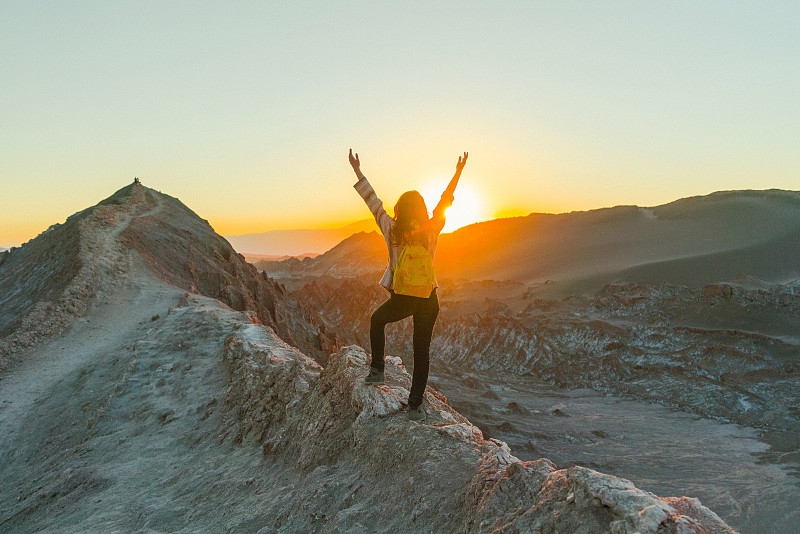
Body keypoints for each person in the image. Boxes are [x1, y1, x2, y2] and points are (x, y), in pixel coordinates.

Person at [349, 148, 468, 422]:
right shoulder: (431, 228)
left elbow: (373, 201)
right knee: (421, 352)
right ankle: (415, 407)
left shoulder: (392, 229)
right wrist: (458, 172)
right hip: (429, 297)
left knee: (377, 321)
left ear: (400, 209)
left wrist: (357, 170)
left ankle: (378, 369)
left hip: (403, 296)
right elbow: (445, 201)